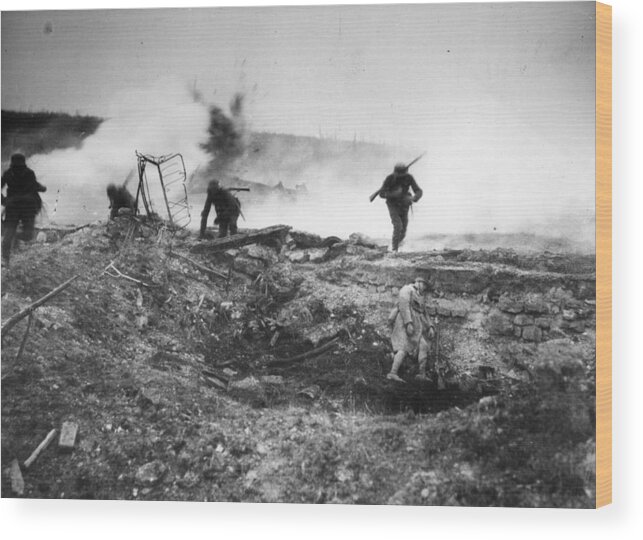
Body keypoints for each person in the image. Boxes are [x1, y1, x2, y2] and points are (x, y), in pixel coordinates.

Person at [387, 276, 436, 383]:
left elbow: (424, 313)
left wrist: (430, 327)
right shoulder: (407, 289)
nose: (425, 288)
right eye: (424, 285)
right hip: (403, 324)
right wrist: (408, 323)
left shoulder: (421, 296)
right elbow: (404, 306)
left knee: (424, 346)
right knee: (403, 348)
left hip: (417, 327)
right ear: (418, 282)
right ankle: (393, 373)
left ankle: (421, 374)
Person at [1, 153, 46, 263]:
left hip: (14, 207)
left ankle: (5, 258)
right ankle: (5, 257)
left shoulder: (8, 173)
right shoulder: (29, 173)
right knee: (27, 235)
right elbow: (36, 186)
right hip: (26, 207)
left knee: (9, 234)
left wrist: (4, 200)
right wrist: (43, 188)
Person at [377, 162, 423, 252]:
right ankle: (394, 250)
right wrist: (393, 194)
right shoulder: (390, 179)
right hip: (393, 205)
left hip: (404, 204)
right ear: (396, 172)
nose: (401, 177)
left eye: (403, 174)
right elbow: (382, 193)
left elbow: (418, 190)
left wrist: (414, 198)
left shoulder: (409, 177)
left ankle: (396, 245)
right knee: (398, 225)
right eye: (399, 174)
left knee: (404, 229)